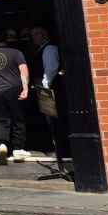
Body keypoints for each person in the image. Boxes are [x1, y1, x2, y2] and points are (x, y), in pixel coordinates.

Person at [0, 32, 29, 164]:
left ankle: (2, 145)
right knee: (17, 118)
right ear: (7, 40)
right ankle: (18, 149)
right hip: (13, 90)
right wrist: (25, 88)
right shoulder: (16, 53)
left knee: (0, 120)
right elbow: (24, 71)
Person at [29, 25, 67, 162]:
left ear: (43, 34)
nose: (34, 38)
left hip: (48, 87)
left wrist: (45, 86)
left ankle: (60, 149)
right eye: (32, 36)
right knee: (49, 118)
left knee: (52, 117)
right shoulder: (43, 48)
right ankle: (57, 146)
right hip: (44, 86)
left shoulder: (49, 48)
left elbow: (51, 69)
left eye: (36, 34)